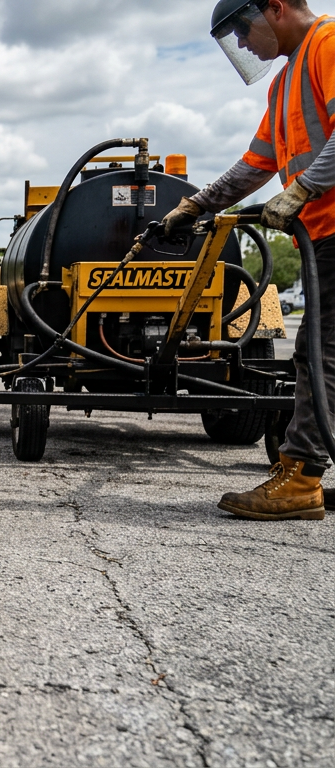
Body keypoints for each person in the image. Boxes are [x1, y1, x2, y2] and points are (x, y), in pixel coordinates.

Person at [162, 0, 333, 520]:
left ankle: (302, 478)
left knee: (320, 353)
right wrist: (197, 203)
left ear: (276, 8)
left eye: (241, 29)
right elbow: (256, 163)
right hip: (324, 234)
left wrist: (302, 188)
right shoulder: (285, 83)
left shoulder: (327, 45)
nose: (241, 44)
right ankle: (303, 473)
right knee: (319, 352)